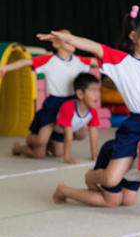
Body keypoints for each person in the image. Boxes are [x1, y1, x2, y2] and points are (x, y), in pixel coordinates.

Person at [37, 5, 140, 192]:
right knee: (110, 180)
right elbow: (93, 46)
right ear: (133, 36)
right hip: (136, 126)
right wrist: (66, 38)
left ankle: (128, 179)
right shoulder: (120, 61)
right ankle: (91, 176)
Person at [1, 29, 95, 158]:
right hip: (54, 104)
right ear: (56, 44)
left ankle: (53, 140)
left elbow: (100, 60)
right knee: (40, 150)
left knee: (60, 152)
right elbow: (26, 62)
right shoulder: (49, 60)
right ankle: (21, 146)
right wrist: (5, 68)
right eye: (66, 40)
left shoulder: (80, 61)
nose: (71, 42)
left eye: (72, 39)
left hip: (70, 103)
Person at [48, 72, 101, 164]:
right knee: (39, 149)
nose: (97, 95)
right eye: (93, 91)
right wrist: (67, 158)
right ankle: (19, 147)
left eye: (98, 90)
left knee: (81, 134)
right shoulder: (68, 107)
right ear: (80, 94)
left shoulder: (92, 111)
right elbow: (68, 135)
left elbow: (94, 132)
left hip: (63, 132)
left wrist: (94, 154)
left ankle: (51, 143)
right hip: (52, 130)